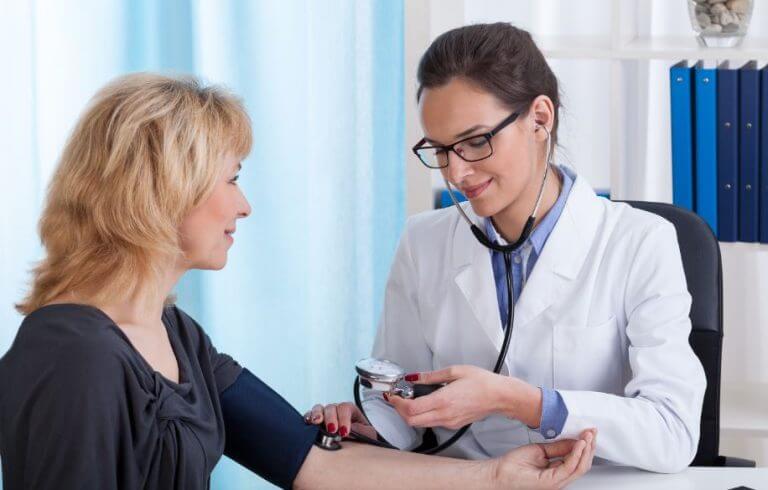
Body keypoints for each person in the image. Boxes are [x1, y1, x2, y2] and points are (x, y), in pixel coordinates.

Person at [0, 73, 596, 490]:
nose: (244, 206)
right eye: (231, 179)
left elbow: (314, 463)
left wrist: (494, 477)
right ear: (163, 190)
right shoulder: (71, 354)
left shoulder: (174, 335)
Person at [309, 22, 706, 474]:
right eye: (439, 149)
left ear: (540, 118)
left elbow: (673, 431)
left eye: (475, 142)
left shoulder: (640, 242)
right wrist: (370, 424)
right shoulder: (422, 243)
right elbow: (404, 404)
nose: (455, 173)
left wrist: (524, 402)